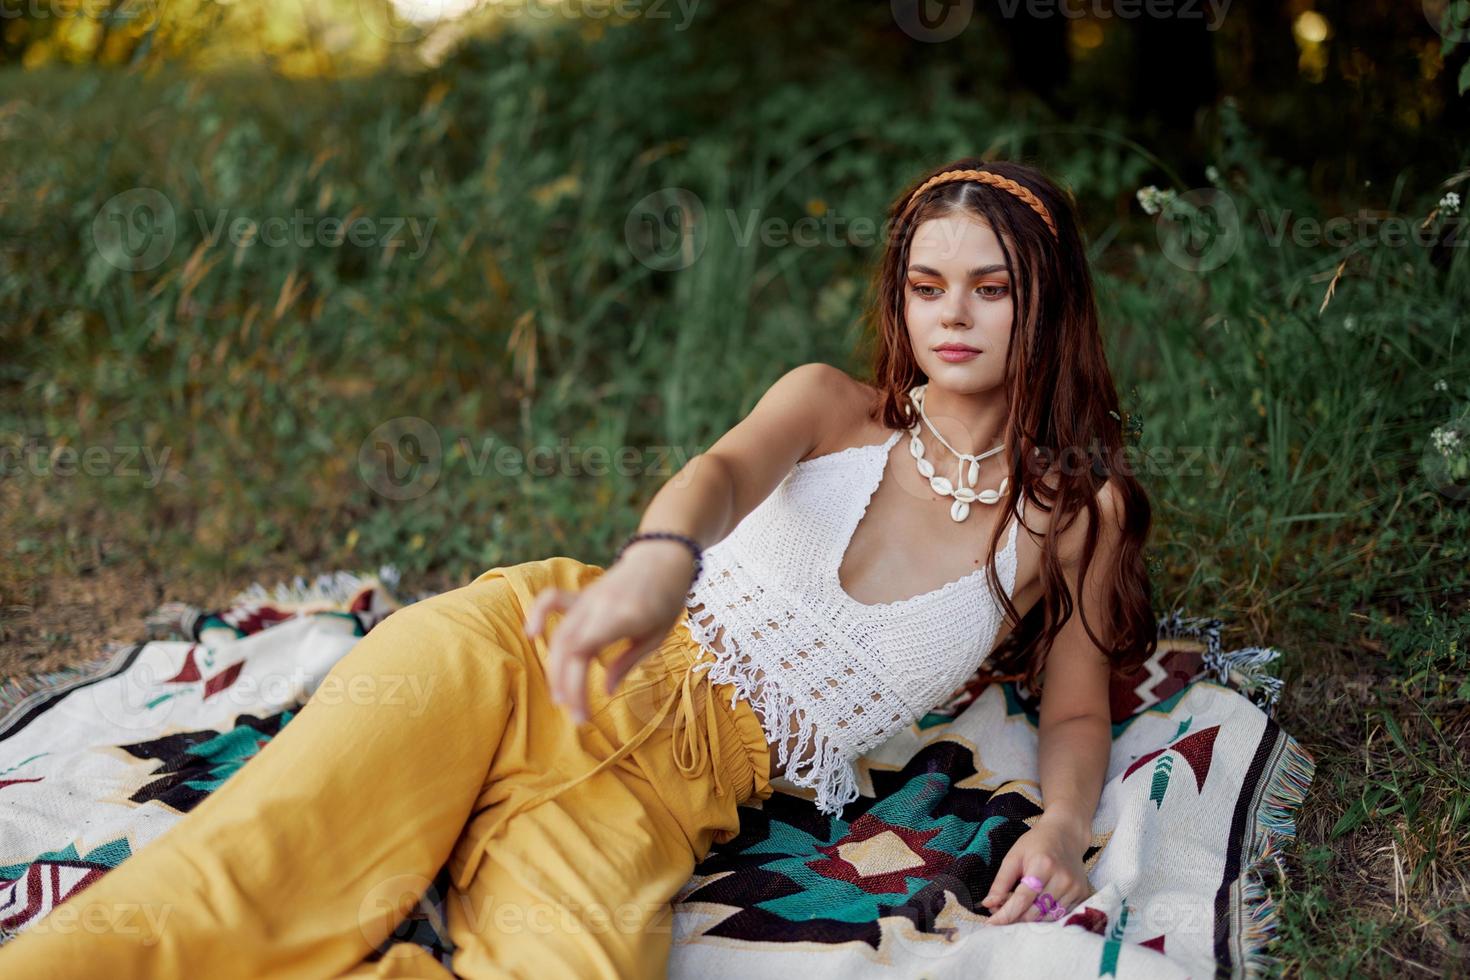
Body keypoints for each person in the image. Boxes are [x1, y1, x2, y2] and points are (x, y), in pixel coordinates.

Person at [0, 158, 1154, 978]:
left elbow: (1073, 710)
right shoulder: (833, 406)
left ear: (1046, 295)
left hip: (665, 793)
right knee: (251, 870)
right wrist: (655, 568)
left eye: (990, 287)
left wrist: (1057, 823)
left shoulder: (1073, 514)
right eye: (926, 283)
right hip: (534, 650)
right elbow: (714, 477)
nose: (951, 314)